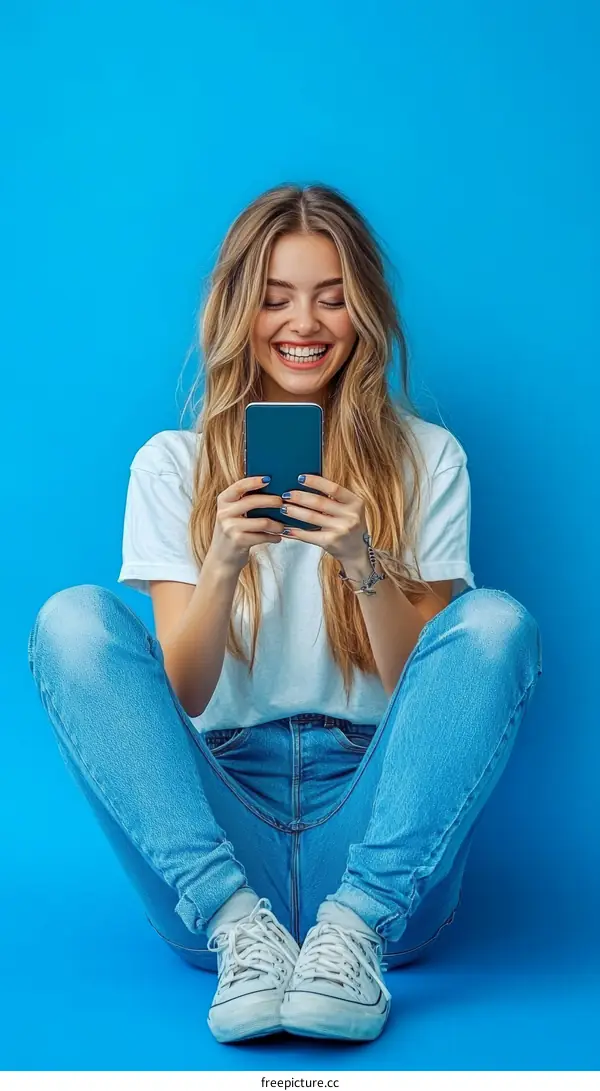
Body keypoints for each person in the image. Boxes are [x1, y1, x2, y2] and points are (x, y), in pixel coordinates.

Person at [27, 182, 542, 1046]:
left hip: (380, 830)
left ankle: (353, 932)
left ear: (365, 314)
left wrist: (362, 561)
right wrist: (224, 558)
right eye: (274, 297)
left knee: (495, 621)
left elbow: (430, 690)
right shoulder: (171, 466)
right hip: (220, 833)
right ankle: (242, 932)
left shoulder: (428, 458)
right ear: (239, 311)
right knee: (70, 618)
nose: (303, 323)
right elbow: (185, 691)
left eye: (332, 296)